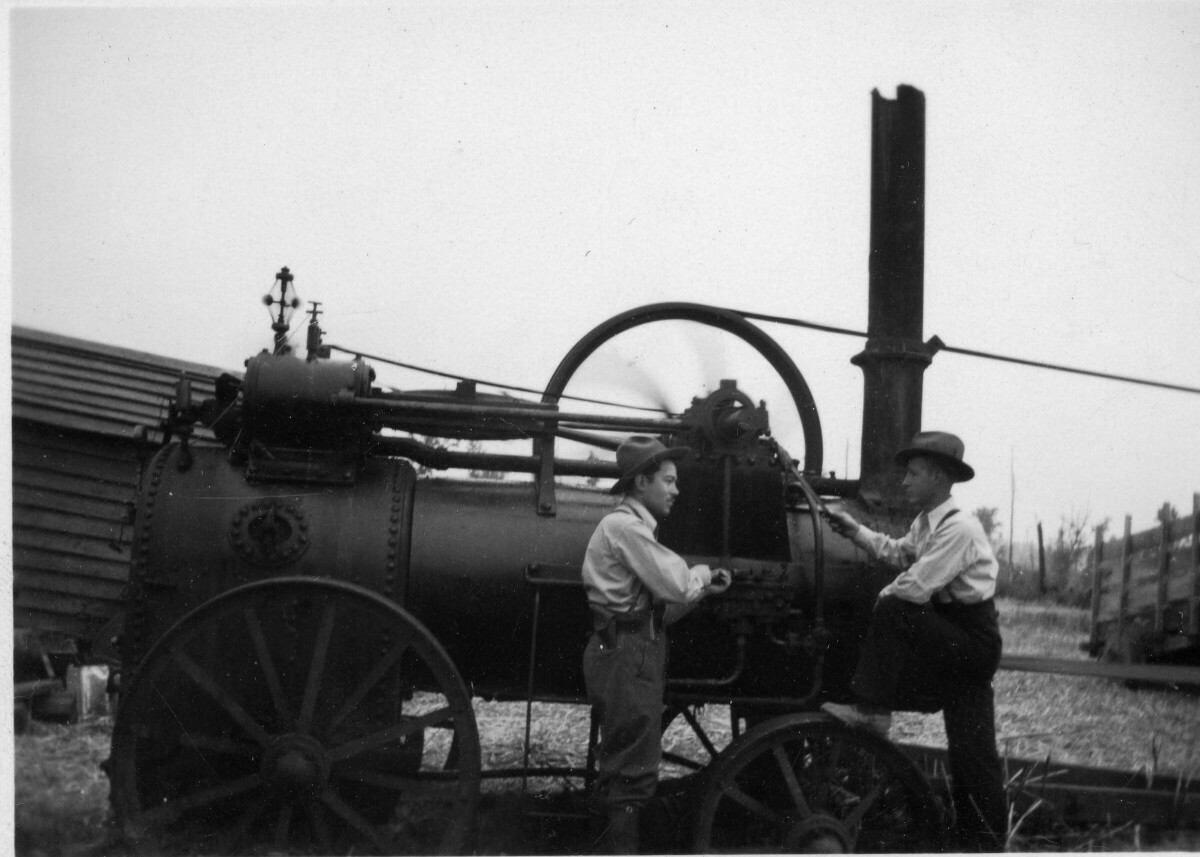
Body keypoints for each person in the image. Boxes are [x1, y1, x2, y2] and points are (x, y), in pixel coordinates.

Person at [822, 431, 1007, 852]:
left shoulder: (959, 528)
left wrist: (877, 608)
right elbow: (898, 553)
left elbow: (913, 587)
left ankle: (872, 712)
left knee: (893, 603)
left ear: (940, 479)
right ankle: (976, 844)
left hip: (972, 641)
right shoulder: (927, 523)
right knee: (972, 754)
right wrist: (856, 531)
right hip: (953, 634)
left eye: (914, 473)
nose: (904, 481)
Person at [582, 435, 732, 854]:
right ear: (642, 482)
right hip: (629, 655)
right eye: (668, 480)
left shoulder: (629, 526)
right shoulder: (625, 528)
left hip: (631, 647)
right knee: (632, 770)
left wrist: (703, 588)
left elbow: (658, 608)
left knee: (627, 760)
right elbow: (678, 583)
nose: (676, 489)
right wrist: (700, 574)